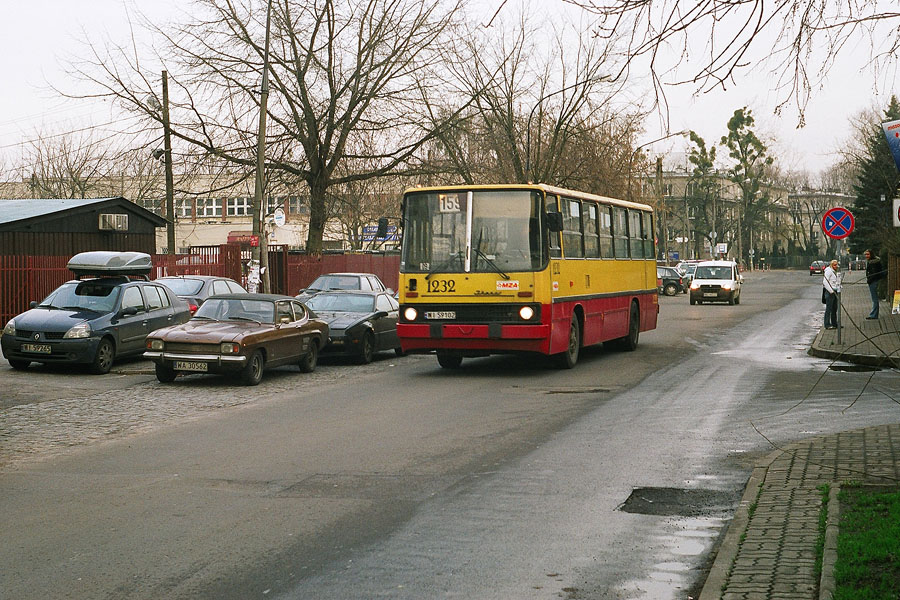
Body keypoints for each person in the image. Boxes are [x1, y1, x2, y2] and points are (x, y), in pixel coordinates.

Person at [863, 249, 887, 319]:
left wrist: (869, 280)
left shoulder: (873, 263)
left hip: (873, 282)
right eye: (866, 254)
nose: (866, 256)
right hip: (874, 281)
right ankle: (874, 314)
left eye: (868, 254)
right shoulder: (873, 261)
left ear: (871, 255)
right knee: (874, 299)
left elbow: (874, 274)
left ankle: (873, 315)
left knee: (875, 299)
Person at [822, 259, 841, 330]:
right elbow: (825, 282)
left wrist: (839, 287)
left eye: (836, 265)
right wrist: (830, 290)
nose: (836, 266)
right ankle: (827, 324)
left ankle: (834, 323)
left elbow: (835, 282)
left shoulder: (834, 271)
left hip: (835, 291)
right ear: (831, 265)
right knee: (829, 309)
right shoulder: (828, 271)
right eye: (834, 265)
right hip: (830, 293)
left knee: (834, 308)